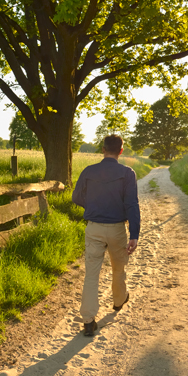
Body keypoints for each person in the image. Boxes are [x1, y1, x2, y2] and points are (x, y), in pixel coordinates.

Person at [72, 134, 140, 336]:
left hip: (93, 228)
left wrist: (92, 206)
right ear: (121, 151)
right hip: (117, 229)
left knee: (91, 275)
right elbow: (132, 204)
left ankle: (88, 321)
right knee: (118, 269)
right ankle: (118, 302)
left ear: (103, 149)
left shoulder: (88, 171)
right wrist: (134, 234)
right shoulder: (128, 173)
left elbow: (76, 197)